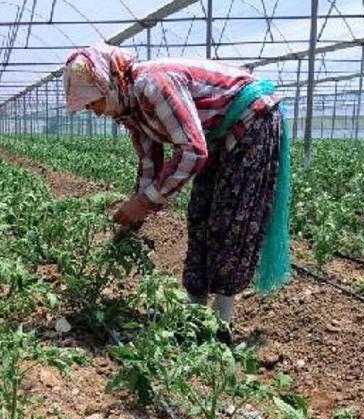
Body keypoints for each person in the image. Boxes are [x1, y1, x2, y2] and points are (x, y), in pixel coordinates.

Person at [63, 43, 292, 341]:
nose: (93, 113)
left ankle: (221, 327)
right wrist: (136, 213)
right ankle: (194, 318)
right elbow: (149, 163)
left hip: (252, 118)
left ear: (108, 85)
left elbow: (194, 152)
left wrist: (144, 202)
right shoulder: (130, 110)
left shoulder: (152, 85)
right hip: (216, 135)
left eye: (92, 103)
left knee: (231, 220)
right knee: (200, 214)